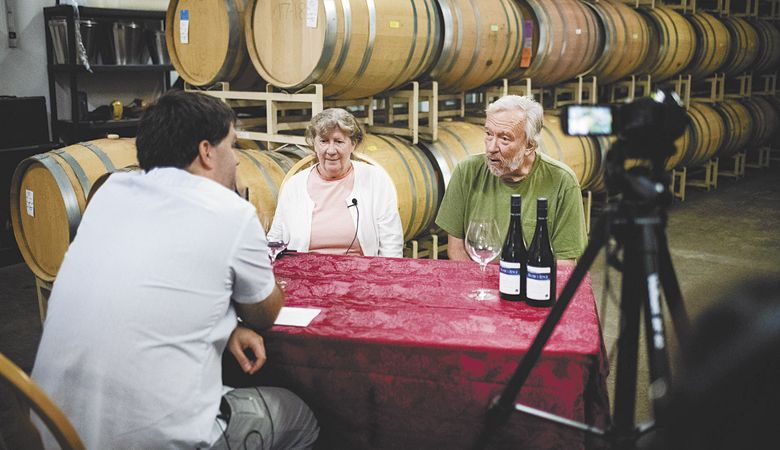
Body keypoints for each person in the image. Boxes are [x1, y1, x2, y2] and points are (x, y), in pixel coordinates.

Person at [30, 90, 319, 449]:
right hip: (157, 441)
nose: (239, 161)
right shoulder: (230, 211)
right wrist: (247, 219)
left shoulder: (110, 192)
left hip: (57, 430)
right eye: (233, 146)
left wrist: (224, 328)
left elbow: (145, 283)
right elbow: (264, 312)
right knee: (301, 416)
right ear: (206, 152)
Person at [435, 95, 587, 265]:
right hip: (479, 283)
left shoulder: (562, 182)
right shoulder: (467, 171)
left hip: (534, 285)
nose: (491, 147)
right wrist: (482, 286)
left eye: (504, 139)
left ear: (529, 145)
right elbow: (456, 249)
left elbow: (565, 263)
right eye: (488, 134)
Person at [268, 108, 404, 257]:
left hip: (360, 275)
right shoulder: (294, 186)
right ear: (314, 144)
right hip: (306, 275)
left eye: (339, 141)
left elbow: (391, 243)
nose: (331, 150)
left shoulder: (376, 179)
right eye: (324, 141)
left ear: (353, 144)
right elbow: (275, 239)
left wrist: (387, 277)